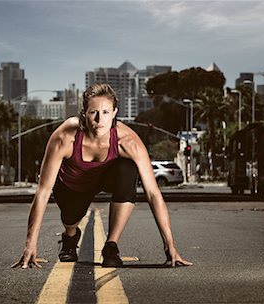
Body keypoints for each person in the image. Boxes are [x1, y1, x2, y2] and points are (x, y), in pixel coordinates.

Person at [16, 83, 192, 269]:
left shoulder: (128, 141)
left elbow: (153, 193)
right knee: (71, 219)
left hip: (107, 177)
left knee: (128, 167)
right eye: (94, 112)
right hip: (73, 186)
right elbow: (43, 192)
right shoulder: (65, 137)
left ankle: (111, 246)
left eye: (106, 112)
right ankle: (70, 237)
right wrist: (30, 245)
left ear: (115, 112)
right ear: (84, 113)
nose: (100, 119)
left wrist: (170, 245)